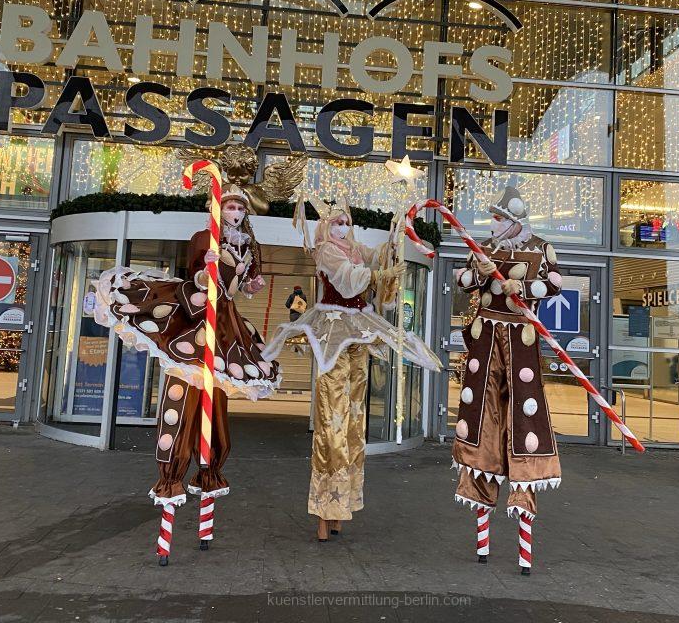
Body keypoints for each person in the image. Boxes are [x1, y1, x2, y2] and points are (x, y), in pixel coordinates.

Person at [93, 186, 280, 564]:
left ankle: (209, 477)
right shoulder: (202, 237)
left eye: (239, 208)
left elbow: (243, 286)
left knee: (216, 404)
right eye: (229, 206)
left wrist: (251, 281)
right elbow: (196, 278)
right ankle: (171, 475)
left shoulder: (247, 245)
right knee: (181, 398)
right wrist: (205, 268)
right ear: (218, 208)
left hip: (226, 325)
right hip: (195, 317)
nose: (235, 212)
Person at [264, 197, 441, 542]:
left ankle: (342, 503)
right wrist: (378, 274)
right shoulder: (326, 251)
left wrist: (395, 234)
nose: (343, 227)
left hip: (359, 329)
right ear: (326, 227)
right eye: (337, 223)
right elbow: (348, 280)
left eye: (346, 221)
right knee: (331, 419)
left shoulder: (354, 247)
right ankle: (325, 507)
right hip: (331, 331)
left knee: (355, 417)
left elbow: (377, 257)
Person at [450, 186, 563, 574]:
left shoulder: (542, 248)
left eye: (499, 218)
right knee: (481, 420)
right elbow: (463, 281)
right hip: (485, 343)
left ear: (515, 221)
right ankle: (482, 538)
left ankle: (524, 540)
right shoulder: (483, 248)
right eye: (492, 218)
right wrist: (475, 274)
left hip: (521, 344)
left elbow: (555, 284)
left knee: (524, 421)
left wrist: (525, 288)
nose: (493, 224)